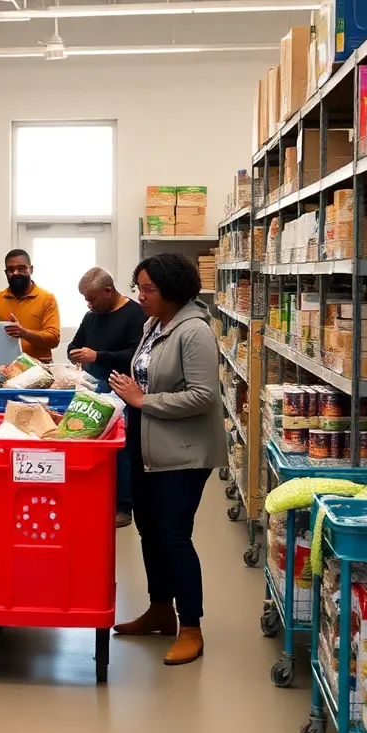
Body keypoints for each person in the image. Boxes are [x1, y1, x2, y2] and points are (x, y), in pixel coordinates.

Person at [107, 253, 226, 667]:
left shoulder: (194, 332)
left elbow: (204, 395)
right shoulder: (153, 325)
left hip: (182, 455)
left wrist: (143, 399)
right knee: (149, 532)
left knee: (174, 537)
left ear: (172, 289)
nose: (141, 296)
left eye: (149, 289)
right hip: (147, 446)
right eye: (139, 287)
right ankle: (160, 610)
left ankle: (191, 626)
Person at [67, 267, 147, 528]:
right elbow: (75, 344)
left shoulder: (135, 315)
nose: (88, 304)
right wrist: (75, 353)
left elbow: (136, 355)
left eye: (92, 299)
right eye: (86, 300)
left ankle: (123, 507)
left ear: (108, 291)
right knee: (90, 446)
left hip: (121, 391)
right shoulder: (92, 316)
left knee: (120, 451)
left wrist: (98, 356)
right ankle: (94, 498)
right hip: (91, 390)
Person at [0, 249, 61, 362]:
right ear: (6, 273)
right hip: (5, 368)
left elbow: (53, 339)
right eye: (11, 270)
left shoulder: (47, 298)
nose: (16, 273)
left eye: (21, 268)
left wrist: (24, 333)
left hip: (40, 368)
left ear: (31, 270)